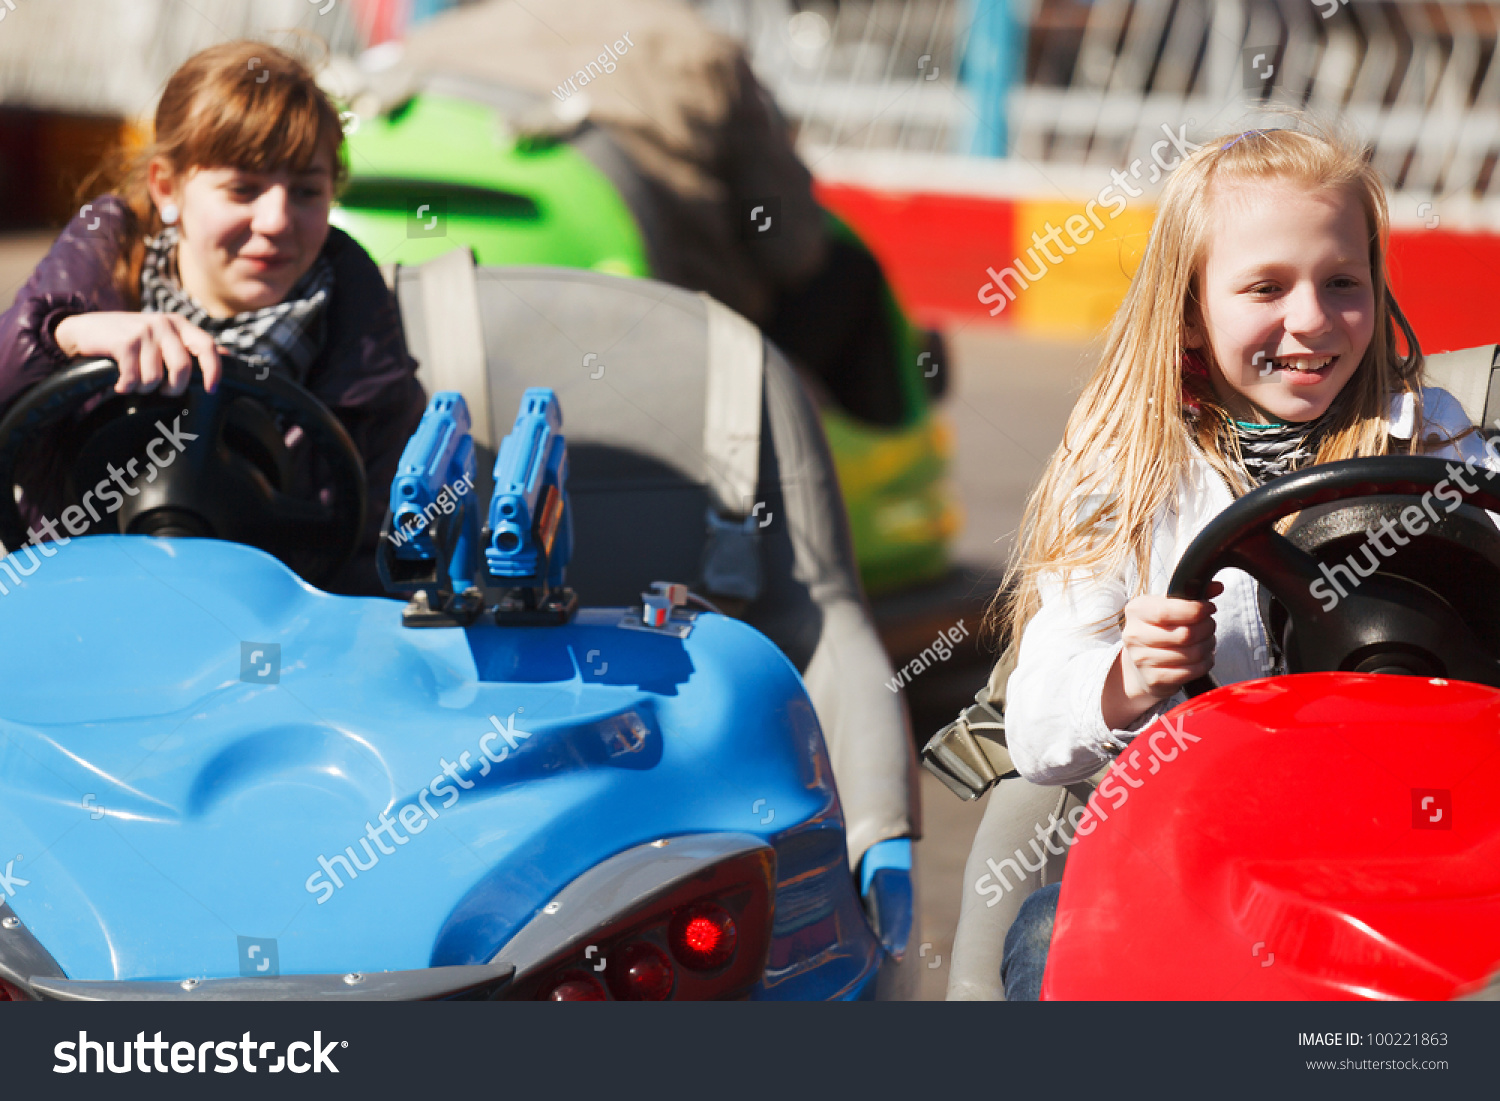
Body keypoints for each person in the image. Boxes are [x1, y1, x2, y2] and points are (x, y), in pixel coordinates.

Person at [986, 120, 1500, 1000]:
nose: (1310, 320)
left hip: (1412, 835)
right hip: (1196, 841)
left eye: (1343, 283)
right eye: (1266, 286)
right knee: (1045, 933)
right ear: (1189, 309)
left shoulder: (1437, 432)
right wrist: (1127, 676)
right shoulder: (1122, 459)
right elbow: (1035, 725)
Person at [0, 40, 426, 594]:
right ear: (166, 187)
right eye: (243, 189)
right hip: (85, 613)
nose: (276, 220)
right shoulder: (98, 266)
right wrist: (67, 337)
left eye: (306, 191)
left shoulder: (364, 344)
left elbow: (384, 554)